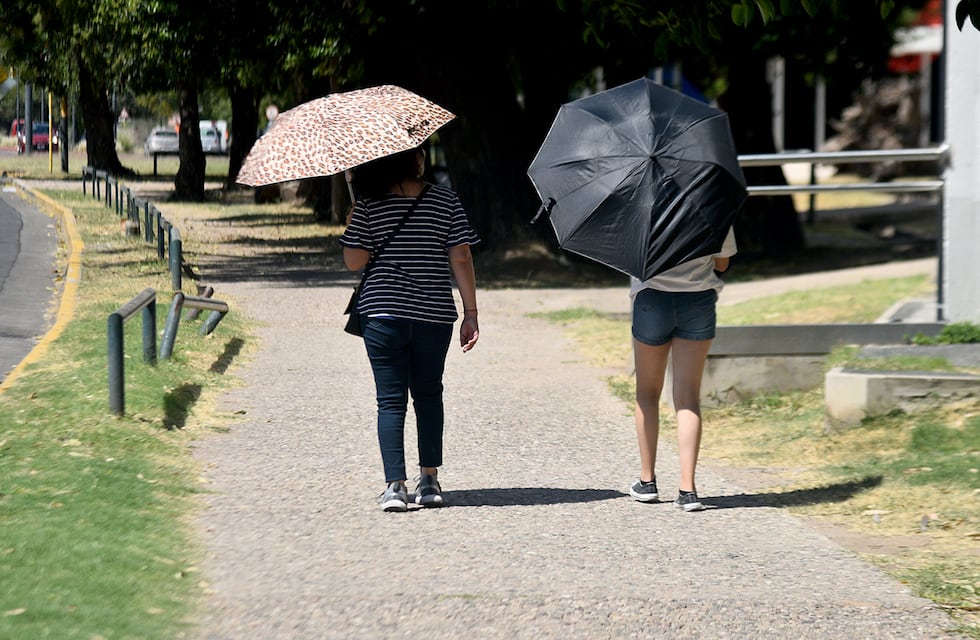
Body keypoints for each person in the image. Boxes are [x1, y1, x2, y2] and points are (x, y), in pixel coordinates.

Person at [339, 145, 480, 512]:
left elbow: (354, 261)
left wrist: (355, 217)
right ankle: (430, 480)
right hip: (433, 315)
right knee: (429, 395)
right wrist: (471, 312)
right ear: (417, 161)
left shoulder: (369, 205)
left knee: (390, 401)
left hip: (383, 315)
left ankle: (395, 487)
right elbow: (461, 257)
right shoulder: (446, 200)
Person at [628, 227, 737, 512]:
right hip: (698, 301)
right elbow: (722, 263)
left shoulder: (640, 203)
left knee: (647, 394)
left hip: (652, 298)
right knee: (688, 397)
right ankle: (688, 490)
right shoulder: (712, 206)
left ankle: (647, 481)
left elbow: (625, 255)